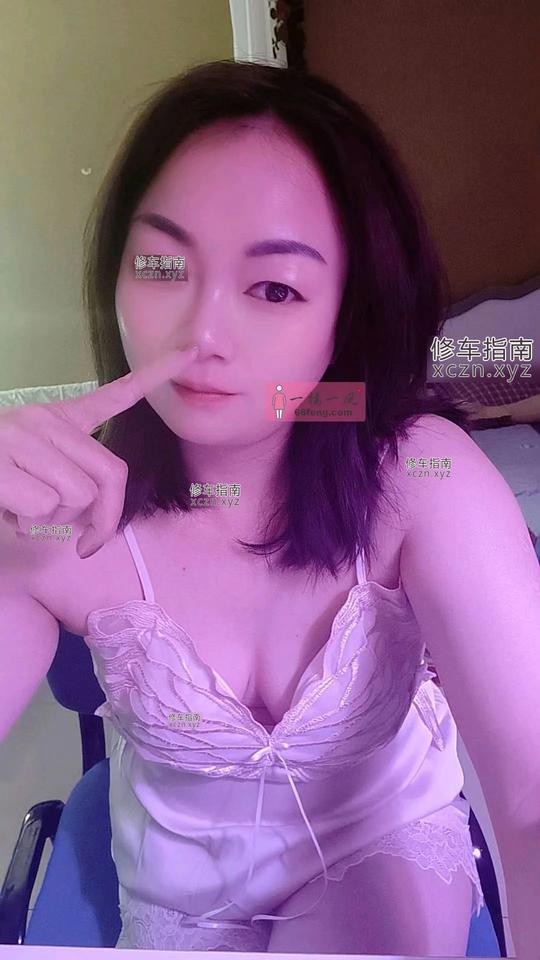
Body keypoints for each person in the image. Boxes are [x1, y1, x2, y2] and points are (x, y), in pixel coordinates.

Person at [1, 60, 540, 956]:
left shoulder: (420, 475)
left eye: (275, 288)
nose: (203, 333)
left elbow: (531, 795)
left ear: (346, 316)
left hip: (380, 844)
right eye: (162, 266)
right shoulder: (60, 514)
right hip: (175, 895)